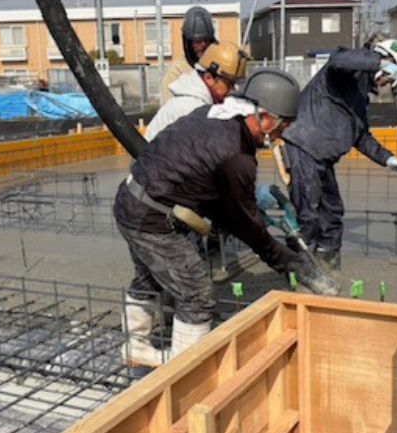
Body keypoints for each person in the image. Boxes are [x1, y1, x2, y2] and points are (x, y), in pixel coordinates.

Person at [115, 68, 338, 368]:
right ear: (265, 117)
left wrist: (245, 202)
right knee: (196, 294)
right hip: (151, 218)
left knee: (150, 277)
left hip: (131, 198)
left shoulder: (214, 114)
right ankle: (185, 373)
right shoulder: (237, 155)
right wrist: (290, 263)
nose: (281, 135)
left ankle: (136, 347)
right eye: (283, 126)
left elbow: (204, 179)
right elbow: (246, 228)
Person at [281, 39, 397, 270]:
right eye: (387, 75)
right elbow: (339, 60)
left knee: (332, 213)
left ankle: (328, 264)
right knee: (308, 216)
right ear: (380, 58)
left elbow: (360, 136)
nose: (385, 82)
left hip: (323, 158)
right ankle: (298, 270)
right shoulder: (345, 71)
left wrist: (388, 158)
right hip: (304, 147)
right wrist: (379, 62)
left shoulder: (360, 98)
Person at [145, 40, 247, 140]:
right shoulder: (192, 107)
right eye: (229, 83)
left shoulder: (197, 99)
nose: (234, 89)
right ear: (209, 78)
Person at [160, 6, 217, 103]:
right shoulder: (176, 73)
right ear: (188, 43)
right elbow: (170, 107)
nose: (203, 45)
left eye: (206, 40)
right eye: (197, 41)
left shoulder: (218, 67)